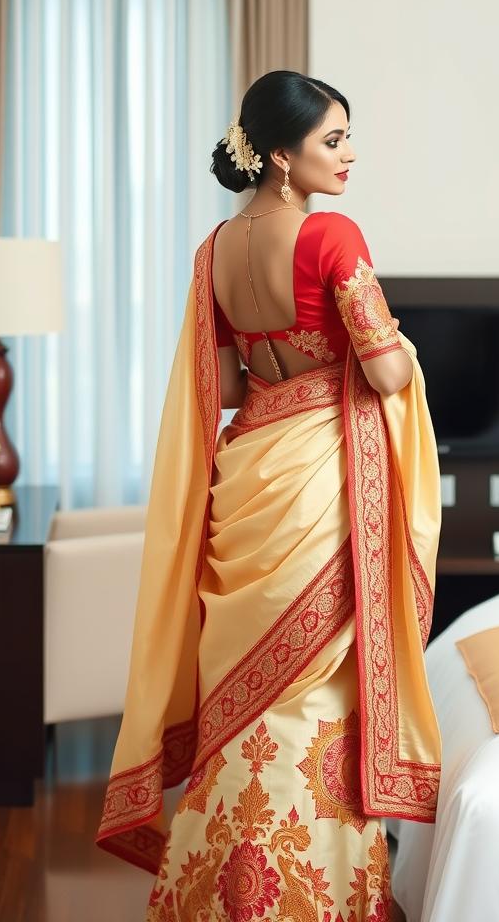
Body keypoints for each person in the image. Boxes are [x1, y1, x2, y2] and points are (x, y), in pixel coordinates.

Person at [95, 69, 442, 922]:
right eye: (333, 140)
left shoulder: (215, 248)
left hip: (250, 477)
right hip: (322, 475)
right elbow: (386, 369)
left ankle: (218, 893)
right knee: (316, 689)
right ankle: (311, 898)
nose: (350, 155)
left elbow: (217, 387)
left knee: (243, 697)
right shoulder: (332, 237)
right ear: (281, 156)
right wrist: (396, 345)